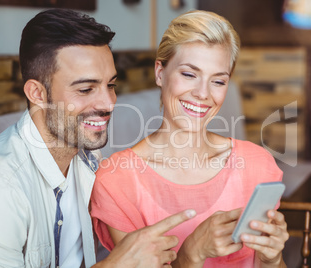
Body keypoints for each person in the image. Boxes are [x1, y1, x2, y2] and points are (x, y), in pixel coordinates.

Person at [0, 9, 197, 268]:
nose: (108, 103)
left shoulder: (87, 157)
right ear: (37, 93)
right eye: (86, 89)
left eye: (111, 85)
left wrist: (190, 254)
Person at [91, 10, 289, 267]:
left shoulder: (256, 165)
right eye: (189, 74)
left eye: (218, 81)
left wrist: (271, 259)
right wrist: (191, 253)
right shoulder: (117, 182)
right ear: (160, 73)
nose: (203, 93)